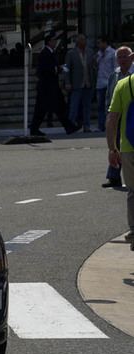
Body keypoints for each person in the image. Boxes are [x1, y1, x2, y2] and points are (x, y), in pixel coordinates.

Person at [30, 31, 82, 137]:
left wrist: (58, 68)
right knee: (42, 109)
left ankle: (69, 127)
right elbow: (46, 69)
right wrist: (60, 68)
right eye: (53, 40)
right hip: (46, 87)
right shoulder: (45, 53)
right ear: (49, 42)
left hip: (52, 86)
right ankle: (34, 129)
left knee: (60, 107)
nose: (55, 42)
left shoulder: (51, 52)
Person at [105, 62, 134, 251]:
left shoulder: (124, 84)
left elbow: (111, 121)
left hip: (129, 147)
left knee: (133, 192)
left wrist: (112, 149)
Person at [102, 46, 134, 188]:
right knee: (115, 144)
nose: (122, 60)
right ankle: (114, 176)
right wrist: (108, 112)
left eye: (125, 56)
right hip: (117, 114)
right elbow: (109, 95)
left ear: (132, 57)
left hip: (130, 115)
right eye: (119, 57)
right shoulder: (114, 75)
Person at [64, 34, 96, 132]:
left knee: (87, 106)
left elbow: (93, 67)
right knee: (74, 106)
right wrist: (67, 82)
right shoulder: (71, 53)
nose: (84, 42)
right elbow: (67, 69)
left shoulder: (90, 52)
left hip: (88, 83)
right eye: (82, 40)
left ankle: (86, 125)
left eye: (85, 40)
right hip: (77, 84)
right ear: (77, 42)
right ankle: (71, 125)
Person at [95, 35, 117, 132]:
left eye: (100, 42)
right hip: (100, 83)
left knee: (109, 105)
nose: (98, 45)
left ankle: (110, 124)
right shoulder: (99, 54)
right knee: (100, 105)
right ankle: (101, 125)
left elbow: (115, 68)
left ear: (105, 43)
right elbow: (96, 68)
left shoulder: (112, 53)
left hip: (109, 82)